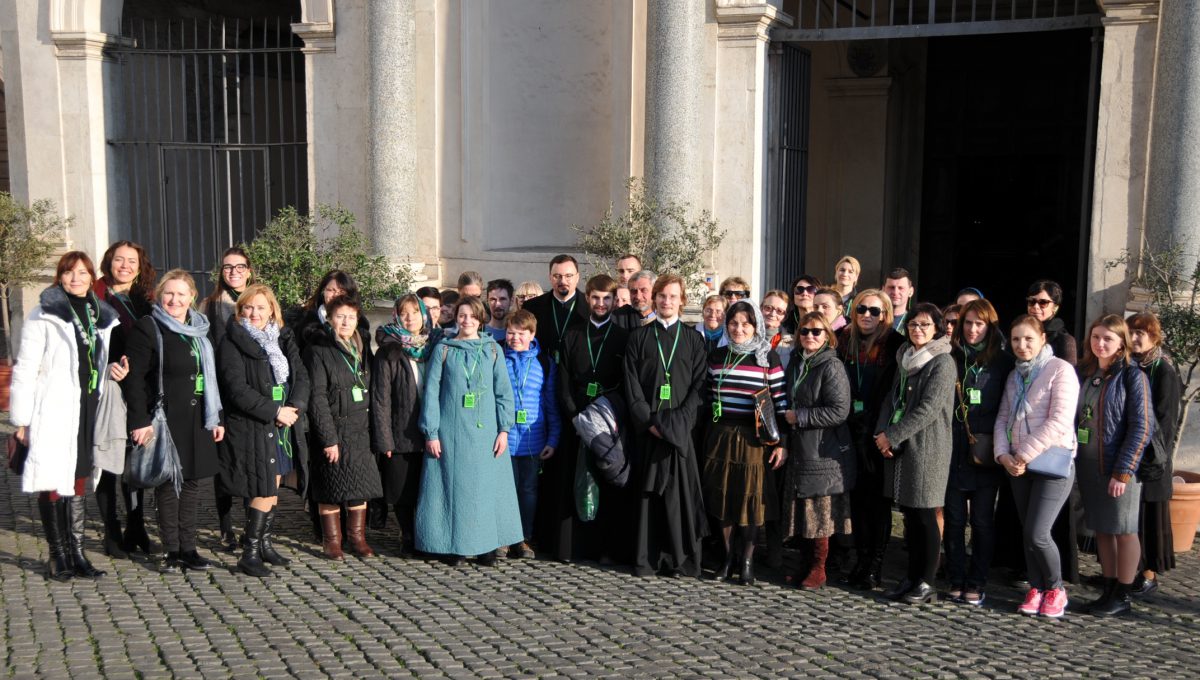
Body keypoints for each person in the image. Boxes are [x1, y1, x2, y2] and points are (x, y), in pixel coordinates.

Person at [12, 251, 121, 580]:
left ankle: (78, 553)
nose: (76, 278)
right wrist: (23, 420)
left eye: (83, 273)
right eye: (69, 272)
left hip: (88, 405)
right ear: (59, 277)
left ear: (91, 278)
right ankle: (58, 555)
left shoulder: (99, 314)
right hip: (55, 408)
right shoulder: (43, 314)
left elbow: (95, 362)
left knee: (79, 477)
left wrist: (111, 372)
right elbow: (26, 367)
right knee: (53, 478)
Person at [123, 269, 226, 573]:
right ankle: (171, 551)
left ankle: (189, 549)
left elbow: (209, 379)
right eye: (169, 293)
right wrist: (139, 421)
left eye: (182, 294)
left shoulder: (199, 329)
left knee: (192, 485)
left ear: (192, 298)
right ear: (158, 295)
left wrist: (216, 418)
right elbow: (136, 380)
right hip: (165, 419)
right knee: (169, 485)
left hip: (197, 418)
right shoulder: (148, 327)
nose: (174, 299)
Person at [416, 296, 522, 565]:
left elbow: (503, 392)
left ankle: (486, 547)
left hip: (486, 432)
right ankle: (456, 546)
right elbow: (432, 392)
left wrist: (504, 430)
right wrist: (432, 432)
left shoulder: (492, 350)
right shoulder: (444, 349)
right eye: (462, 315)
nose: (467, 321)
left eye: (472, 316)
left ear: (480, 319)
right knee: (456, 490)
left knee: (485, 490)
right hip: (451, 433)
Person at [216, 284, 310, 577]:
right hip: (253, 425)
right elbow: (236, 389)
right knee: (262, 483)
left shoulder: (282, 338)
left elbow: (301, 376)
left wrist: (294, 407)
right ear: (240, 310)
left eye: (260, 307)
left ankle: (265, 543)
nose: (254, 313)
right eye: (248, 307)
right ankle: (250, 552)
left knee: (275, 481)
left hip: (283, 423)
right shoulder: (232, 342)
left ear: (272, 310)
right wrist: (274, 411)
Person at [993, 315, 1079, 618]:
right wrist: (1003, 455)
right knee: (1025, 531)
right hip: (1019, 464)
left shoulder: (1060, 370)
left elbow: (1059, 420)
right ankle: (1037, 587)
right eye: (1016, 339)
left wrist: (1023, 454)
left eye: (1028, 339)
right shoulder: (1015, 375)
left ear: (1042, 339)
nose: (1022, 345)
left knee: (1038, 532)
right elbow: (1003, 417)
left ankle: (1056, 589)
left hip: (1052, 461)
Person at [624, 274, 709, 577]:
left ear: (682, 301)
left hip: (680, 435)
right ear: (654, 298)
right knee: (649, 498)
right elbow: (631, 386)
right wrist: (650, 423)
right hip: (649, 432)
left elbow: (700, 386)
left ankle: (680, 560)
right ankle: (648, 559)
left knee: (679, 499)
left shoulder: (693, 340)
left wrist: (678, 424)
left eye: (673, 296)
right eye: (661, 295)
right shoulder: (639, 338)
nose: (666, 301)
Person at [873, 302, 955, 604]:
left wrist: (892, 435)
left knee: (925, 514)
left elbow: (928, 409)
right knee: (909, 513)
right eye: (912, 325)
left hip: (927, 448)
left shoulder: (942, 362)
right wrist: (881, 434)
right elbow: (891, 400)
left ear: (936, 329)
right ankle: (911, 576)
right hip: (901, 446)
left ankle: (926, 581)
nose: (917, 330)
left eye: (924, 325)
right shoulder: (905, 358)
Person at [702, 300, 788, 586]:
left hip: (756, 440)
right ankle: (728, 558)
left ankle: (747, 561)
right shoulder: (717, 356)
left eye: (746, 324)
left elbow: (780, 401)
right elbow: (707, 395)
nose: (739, 329)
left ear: (756, 327)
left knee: (750, 501)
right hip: (722, 435)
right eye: (734, 323)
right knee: (724, 497)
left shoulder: (768, 358)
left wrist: (781, 443)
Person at [1076, 315, 1154, 616]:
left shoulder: (1134, 377)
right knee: (1102, 529)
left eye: (1108, 338)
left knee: (1124, 529)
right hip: (1089, 466)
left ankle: (1122, 593)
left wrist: (1123, 471)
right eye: (1096, 337)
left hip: (1119, 467)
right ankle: (1108, 588)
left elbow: (1141, 427)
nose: (1100, 343)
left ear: (1122, 342)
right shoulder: (1087, 372)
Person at [943, 299, 1013, 606]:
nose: (972, 329)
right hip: (953, 448)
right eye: (968, 323)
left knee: (982, 521)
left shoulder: (1001, 361)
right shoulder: (951, 356)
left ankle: (977, 579)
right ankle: (956, 577)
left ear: (990, 327)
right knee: (955, 520)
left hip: (985, 450)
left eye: (979, 324)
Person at [559, 274, 632, 563]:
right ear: (587, 298)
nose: (601, 304)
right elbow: (563, 381)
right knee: (575, 480)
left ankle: (606, 548)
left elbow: (627, 382)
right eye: (595, 298)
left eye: (607, 299)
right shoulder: (574, 335)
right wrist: (575, 415)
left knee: (607, 481)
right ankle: (575, 547)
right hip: (576, 419)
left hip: (609, 421)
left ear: (615, 301)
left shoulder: (624, 338)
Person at [521, 255, 589, 561]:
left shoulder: (590, 307)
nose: (563, 281)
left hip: (575, 398)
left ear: (578, 277)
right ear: (550, 278)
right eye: (558, 276)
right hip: (540, 397)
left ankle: (573, 537)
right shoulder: (534, 309)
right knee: (542, 472)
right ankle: (539, 534)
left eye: (569, 275)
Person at [304, 296, 381, 560]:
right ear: (329, 319)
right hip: (334, 428)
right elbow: (317, 397)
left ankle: (357, 538)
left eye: (351, 316)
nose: (346, 322)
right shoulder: (318, 350)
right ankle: (332, 541)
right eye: (340, 316)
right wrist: (328, 438)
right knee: (331, 487)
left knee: (359, 485)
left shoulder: (361, 347)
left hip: (361, 429)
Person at [93, 240, 156, 558]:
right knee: (109, 462)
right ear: (109, 262)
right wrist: (107, 368)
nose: (125, 266)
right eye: (119, 260)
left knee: (136, 459)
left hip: (140, 389)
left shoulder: (144, 299)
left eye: (132, 261)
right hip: (109, 389)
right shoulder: (94, 296)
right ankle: (111, 531)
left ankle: (137, 526)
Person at [838, 290, 903, 590]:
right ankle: (861, 559)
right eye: (862, 309)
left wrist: (885, 430)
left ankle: (875, 564)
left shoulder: (895, 345)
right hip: (850, 428)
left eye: (874, 311)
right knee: (857, 500)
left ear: (885, 314)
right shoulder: (844, 341)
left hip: (879, 432)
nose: (867, 315)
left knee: (878, 502)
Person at [783, 311, 853, 590]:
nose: (810, 336)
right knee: (802, 510)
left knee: (819, 513)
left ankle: (819, 568)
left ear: (828, 336)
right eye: (805, 331)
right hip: (799, 448)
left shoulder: (831, 366)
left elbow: (840, 410)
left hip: (823, 450)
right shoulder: (797, 362)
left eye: (816, 332)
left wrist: (800, 417)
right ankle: (804, 564)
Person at [371, 294, 439, 557]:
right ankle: (407, 535)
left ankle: (427, 535)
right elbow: (380, 399)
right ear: (396, 317)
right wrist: (384, 439)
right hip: (401, 430)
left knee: (427, 488)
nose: (410, 318)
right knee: (402, 489)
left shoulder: (435, 345)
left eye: (415, 312)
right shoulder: (389, 351)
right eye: (404, 313)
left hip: (431, 429)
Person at [202, 246, 254, 553]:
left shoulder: (260, 301)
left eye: (239, 266)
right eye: (227, 267)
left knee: (252, 461)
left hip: (255, 391)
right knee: (225, 463)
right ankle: (225, 529)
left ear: (249, 270)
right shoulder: (210, 305)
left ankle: (252, 525)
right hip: (223, 392)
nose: (233, 272)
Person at [1128, 311, 1182, 595]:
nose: (1136, 338)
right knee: (1129, 520)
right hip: (1129, 456)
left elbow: (1165, 419)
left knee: (1149, 519)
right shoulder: (1128, 366)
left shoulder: (1163, 370)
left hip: (1151, 459)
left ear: (1153, 336)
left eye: (1141, 333)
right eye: (1132, 332)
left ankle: (1148, 575)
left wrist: (1146, 454)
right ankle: (1126, 571)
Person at [502, 309, 561, 557]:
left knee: (528, 490)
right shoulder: (497, 358)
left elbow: (550, 404)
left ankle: (523, 537)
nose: (514, 338)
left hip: (532, 439)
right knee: (505, 489)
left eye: (520, 333)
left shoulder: (544, 364)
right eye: (510, 332)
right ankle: (503, 536)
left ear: (532, 334)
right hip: (504, 439)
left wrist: (553, 438)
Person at [296, 270, 373, 352]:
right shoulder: (304, 321)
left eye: (342, 291)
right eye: (331, 290)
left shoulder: (360, 327)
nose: (336, 295)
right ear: (323, 291)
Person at [1026, 280, 1077, 366]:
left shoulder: (1064, 340)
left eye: (1043, 303)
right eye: (1032, 301)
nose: (1035, 307)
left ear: (1055, 308)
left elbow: (1068, 376)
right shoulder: (1018, 333)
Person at [761, 289, 795, 370]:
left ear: (785, 317)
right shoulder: (747, 337)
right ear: (761, 309)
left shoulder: (793, 343)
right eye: (768, 308)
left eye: (779, 311)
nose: (772, 314)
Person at [883, 268, 915, 333]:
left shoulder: (914, 322)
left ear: (910, 292)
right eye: (891, 287)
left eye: (901, 288)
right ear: (883, 290)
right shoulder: (873, 318)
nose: (895, 292)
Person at [484, 278, 514, 343]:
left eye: (502, 299)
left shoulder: (518, 335)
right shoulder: (479, 333)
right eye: (493, 299)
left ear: (511, 301)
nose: (497, 304)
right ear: (487, 301)